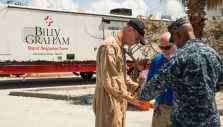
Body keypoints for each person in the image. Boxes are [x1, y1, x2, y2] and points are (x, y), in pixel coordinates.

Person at [138, 17, 223, 127]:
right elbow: (220, 84)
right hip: (211, 121)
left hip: (185, 121)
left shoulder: (178, 57)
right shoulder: (213, 54)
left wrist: (142, 95)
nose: (175, 44)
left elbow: (156, 85)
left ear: (177, 35)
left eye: (173, 40)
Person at [93, 19, 145, 127]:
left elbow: (121, 75)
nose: (136, 42)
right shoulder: (109, 46)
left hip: (117, 99)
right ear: (130, 30)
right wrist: (130, 98)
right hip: (108, 101)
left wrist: (136, 88)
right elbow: (110, 79)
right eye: (137, 39)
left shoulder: (119, 46)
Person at [147, 32, 176, 127]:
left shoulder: (184, 61)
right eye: (161, 47)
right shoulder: (156, 61)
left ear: (175, 44)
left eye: (167, 47)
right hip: (160, 108)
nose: (164, 50)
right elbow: (149, 84)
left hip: (178, 110)